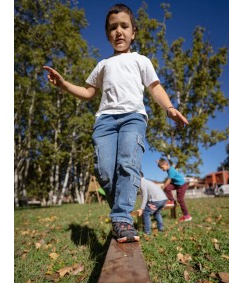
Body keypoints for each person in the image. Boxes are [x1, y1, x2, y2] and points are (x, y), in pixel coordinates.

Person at [43, 3, 189, 243]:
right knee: (104, 172)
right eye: (113, 28)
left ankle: (121, 218)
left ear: (134, 32)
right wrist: (63, 84)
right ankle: (120, 213)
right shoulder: (103, 65)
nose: (119, 31)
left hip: (133, 117)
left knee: (127, 164)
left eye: (124, 26)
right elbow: (88, 92)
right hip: (105, 121)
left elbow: (155, 87)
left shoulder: (141, 60)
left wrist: (169, 108)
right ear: (107, 34)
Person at [157, 158, 192, 222]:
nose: (162, 170)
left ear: (166, 164)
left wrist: (162, 187)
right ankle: (172, 201)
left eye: (162, 168)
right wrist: (159, 162)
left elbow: (168, 181)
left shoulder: (171, 170)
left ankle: (187, 216)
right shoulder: (168, 168)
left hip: (182, 185)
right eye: (161, 168)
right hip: (176, 184)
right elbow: (163, 162)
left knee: (180, 199)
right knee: (167, 188)